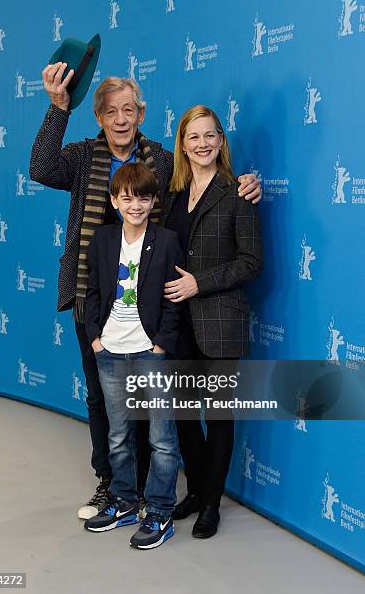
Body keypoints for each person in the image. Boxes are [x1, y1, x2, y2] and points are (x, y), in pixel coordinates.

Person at [29, 63, 262, 520]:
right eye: (112, 111)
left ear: (141, 114)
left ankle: (147, 488)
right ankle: (111, 484)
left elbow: (206, 182)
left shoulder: (159, 158)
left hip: (154, 301)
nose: (121, 118)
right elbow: (40, 167)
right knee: (102, 396)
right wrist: (58, 108)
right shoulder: (81, 157)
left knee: (150, 401)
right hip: (91, 294)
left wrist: (247, 182)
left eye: (129, 110)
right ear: (98, 117)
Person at [163, 105, 263, 538]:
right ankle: (197, 489)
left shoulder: (238, 192)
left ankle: (210, 505)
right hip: (177, 322)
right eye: (193, 137)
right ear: (182, 145)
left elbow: (251, 262)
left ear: (221, 141)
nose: (202, 144)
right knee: (185, 414)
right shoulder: (170, 195)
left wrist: (198, 285)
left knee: (218, 417)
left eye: (210, 136)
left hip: (220, 321)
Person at [83, 163, 183, 549]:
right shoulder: (103, 239)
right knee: (119, 434)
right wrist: (95, 338)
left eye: (143, 197)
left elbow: (174, 300)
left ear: (153, 200)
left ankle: (159, 511)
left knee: (161, 436)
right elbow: (92, 291)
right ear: (114, 201)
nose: (135, 204)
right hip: (110, 351)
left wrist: (160, 344)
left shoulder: (167, 239)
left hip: (149, 351)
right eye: (127, 197)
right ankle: (125, 501)